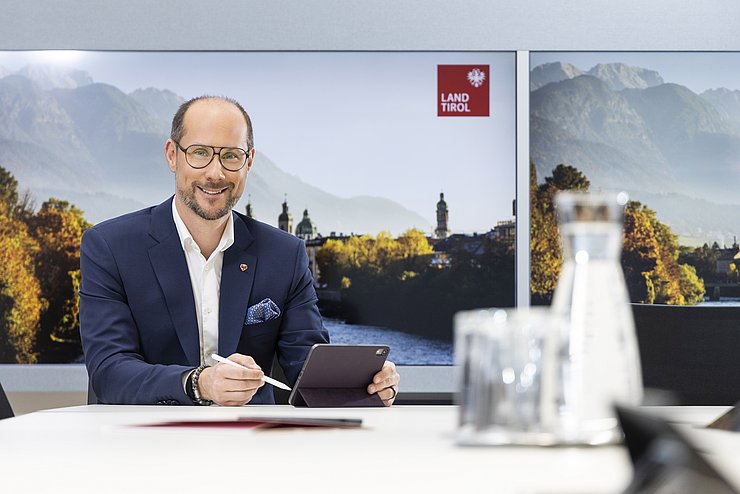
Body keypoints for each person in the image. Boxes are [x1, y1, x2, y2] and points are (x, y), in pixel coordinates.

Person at [80, 95, 400, 406]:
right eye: (200, 153)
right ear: (172, 155)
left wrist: (362, 385)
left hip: (253, 445)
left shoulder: (285, 254)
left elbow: (308, 371)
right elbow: (109, 372)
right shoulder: (110, 247)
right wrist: (200, 383)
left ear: (249, 161)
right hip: (143, 443)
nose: (216, 173)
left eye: (231, 156)